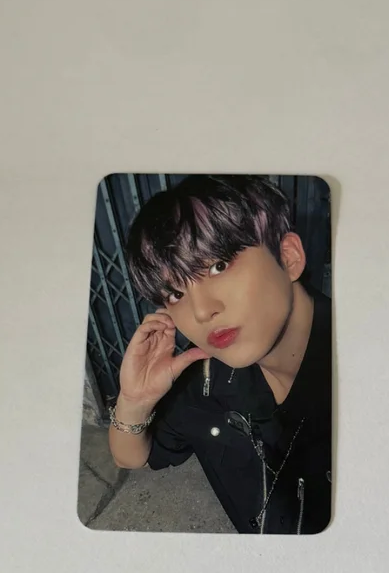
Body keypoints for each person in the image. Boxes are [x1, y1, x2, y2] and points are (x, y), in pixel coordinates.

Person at [107, 175, 332, 534]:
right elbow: (132, 457)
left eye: (218, 266)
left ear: (288, 258)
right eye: (175, 294)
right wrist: (134, 401)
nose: (200, 312)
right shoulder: (208, 381)